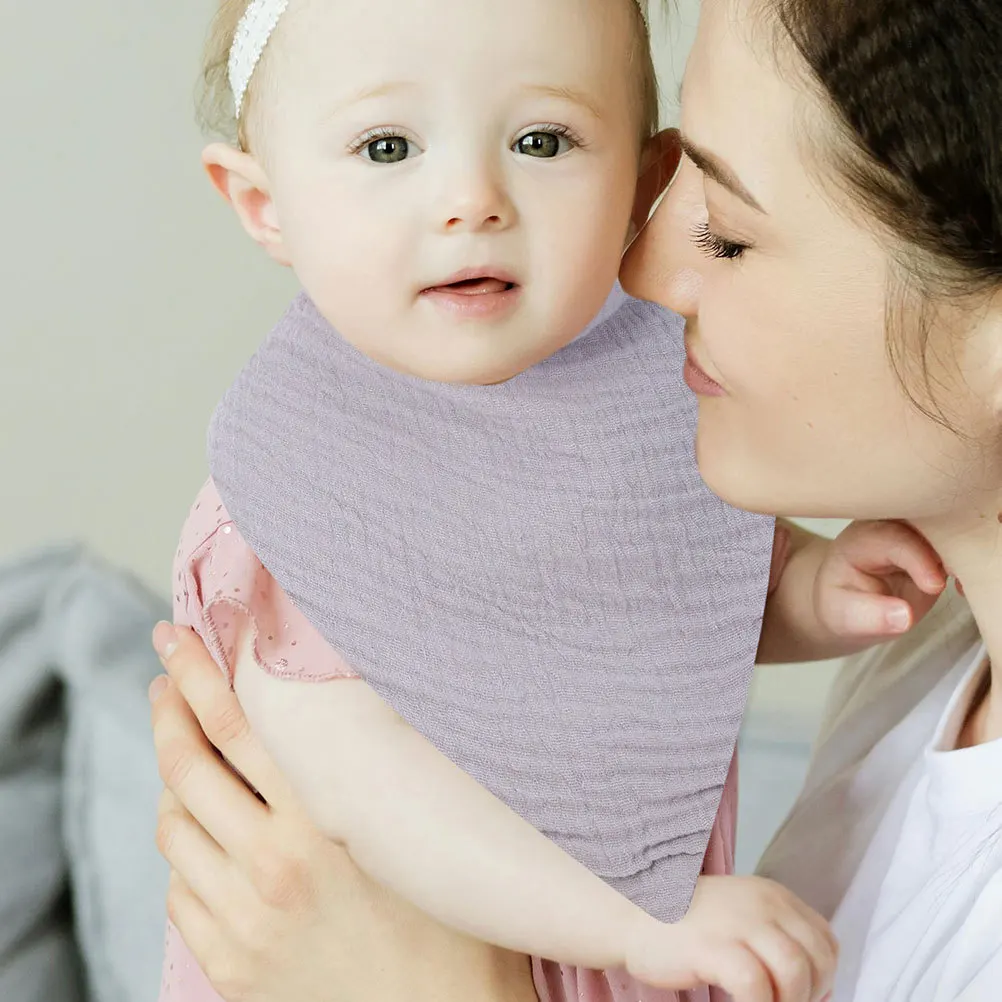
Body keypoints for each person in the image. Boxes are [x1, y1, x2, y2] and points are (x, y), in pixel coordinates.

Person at [155, 0, 1000, 999]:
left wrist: (802, 588)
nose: (470, 200)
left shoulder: (623, 388)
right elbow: (358, 785)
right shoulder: (307, 474)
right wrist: (633, 922)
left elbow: (652, 571)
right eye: (388, 146)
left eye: (542, 141)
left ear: (636, 179)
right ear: (262, 203)